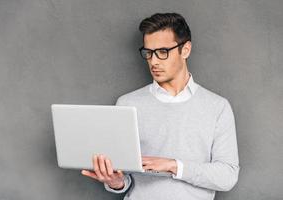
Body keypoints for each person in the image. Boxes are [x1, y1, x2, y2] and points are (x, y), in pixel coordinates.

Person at [81, 12, 239, 200]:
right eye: (148, 53)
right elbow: (126, 178)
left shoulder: (217, 107)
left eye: (163, 52)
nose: (153, 61)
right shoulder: (127, 104)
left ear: (185, 50)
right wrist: (116, 182)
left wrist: (173, 166)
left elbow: (227, 176)